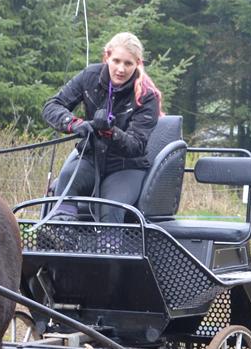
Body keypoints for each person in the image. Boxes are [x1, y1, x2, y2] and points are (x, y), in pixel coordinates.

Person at [41, 32, 163, 223]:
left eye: (128, 63)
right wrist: (74, 124)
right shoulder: (89, 76)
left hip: (127, 167)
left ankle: (110, 242)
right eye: (116, 61)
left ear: (138, 63)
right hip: (91, 159)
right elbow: (51, 106)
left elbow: (136, 146)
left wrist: (110, 132)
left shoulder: (147, 95)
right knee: (65, 182)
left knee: (111, 209)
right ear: (107, 57)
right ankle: (62, 233)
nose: (121, 69)